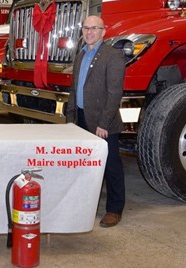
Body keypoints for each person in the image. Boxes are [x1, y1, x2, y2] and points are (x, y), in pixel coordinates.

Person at [66, 15, 126, 228]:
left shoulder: (113, 56)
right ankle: (85, 205)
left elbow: (114, 93)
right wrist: (70, 119)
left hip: (103, 123)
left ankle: (114, 209)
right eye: (86, 28)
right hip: (81, 117)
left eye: (94, 28)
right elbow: (75, 89)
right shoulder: (81, 55)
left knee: (111, 166)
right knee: (85, 166)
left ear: (104, 31)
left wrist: (104, 123)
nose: (89, 32)